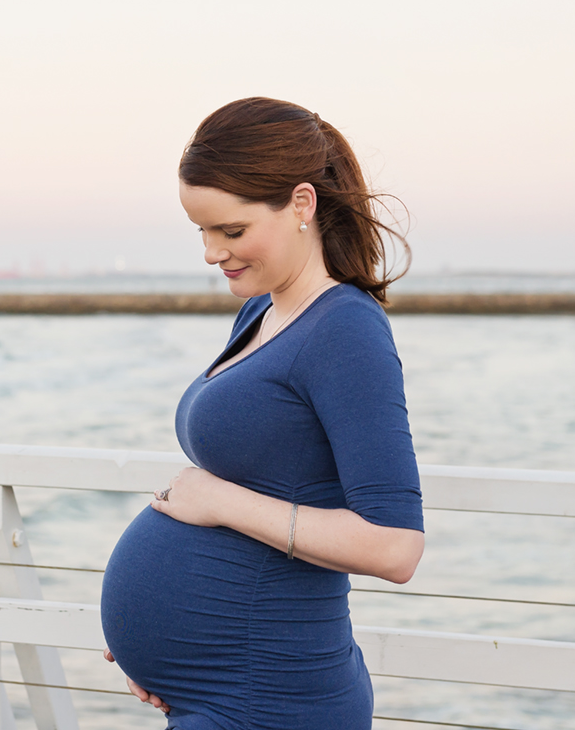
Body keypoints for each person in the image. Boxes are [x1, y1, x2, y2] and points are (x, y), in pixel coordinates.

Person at [99, 97, 425, 730]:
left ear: (302, 204)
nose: (211, 252)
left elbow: (396, 547)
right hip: (217, 691)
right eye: (202, 230)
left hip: (271, 698)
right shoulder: (263, 311)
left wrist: (216, 502)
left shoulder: (346, 329)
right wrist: (163, 650)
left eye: (231, 230)